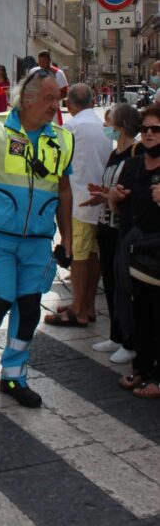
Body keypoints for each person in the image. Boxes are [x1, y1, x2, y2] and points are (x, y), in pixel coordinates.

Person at [0, 69, 74, 407]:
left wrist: (66, 236)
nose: (56, 105)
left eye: (58, 98)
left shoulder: (62, 139)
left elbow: (64, 191)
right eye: (49, 98)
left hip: (38, 237)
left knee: (28, 306)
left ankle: (13, 376)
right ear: (28, 99)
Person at [44, 84, 110, 329]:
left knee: (80, 258)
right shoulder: (102, 125)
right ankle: (87, 305)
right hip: (98, 201)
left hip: (80, 201)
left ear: (69, 105)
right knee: (92, 256)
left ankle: (78, 310)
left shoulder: (71, 127)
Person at [82, 103, 141, 363]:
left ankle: (130, 341)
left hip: (122, 228)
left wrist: (107, 196)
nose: (106, 127)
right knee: (111, 283)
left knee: (123, 286)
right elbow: (112, 188)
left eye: (110, 123)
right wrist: (101, 196)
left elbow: (130, 194)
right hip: (106, 224)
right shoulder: (115, 152)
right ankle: (116, 336)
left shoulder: (135, 153)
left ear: (122, 125)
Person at [111, 103, 160, 398]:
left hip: (157, 255)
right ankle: (142, 367)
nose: (150, 135)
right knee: (138, 314)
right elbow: (118, 208)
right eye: (145, 129)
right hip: (132, 254)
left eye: (156, 129)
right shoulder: (132, 164)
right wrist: (113, 197)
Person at [36, 50, 68, 122]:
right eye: (40, 62)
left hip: (53, 111)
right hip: (39, 110)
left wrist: (52, 100)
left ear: (49, 61)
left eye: (44, 62)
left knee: (54, 131)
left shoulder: (58, 73)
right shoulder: (36, 72)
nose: (41, 64)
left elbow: (65, 92)